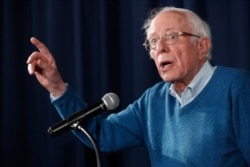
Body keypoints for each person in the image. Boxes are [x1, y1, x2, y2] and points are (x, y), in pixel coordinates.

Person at [26, 6, 250, 166]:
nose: (160, 48)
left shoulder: (238, 87)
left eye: (171, 37)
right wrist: (57, 88)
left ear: (202, 46)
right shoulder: (153, 100)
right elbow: (101, 134)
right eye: (153, 42)